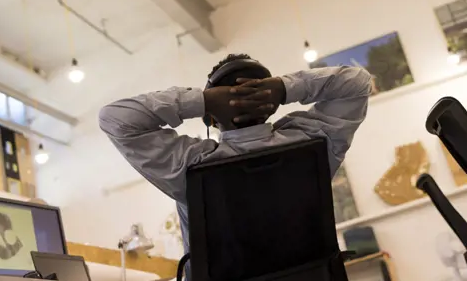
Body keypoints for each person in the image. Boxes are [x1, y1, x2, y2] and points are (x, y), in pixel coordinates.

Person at [99, 54, 372, 278]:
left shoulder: (189, 167)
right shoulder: (314, 145)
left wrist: (205, 101)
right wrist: (285, 87)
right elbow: (358, 82)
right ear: (271, 104)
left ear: (210, 120)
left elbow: (115, 119)